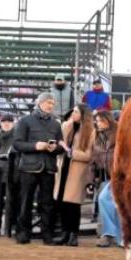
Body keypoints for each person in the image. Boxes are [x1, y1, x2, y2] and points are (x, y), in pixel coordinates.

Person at [12, 92, 65, 244]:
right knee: (25, 201)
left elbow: (61, 146)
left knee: (47, 203)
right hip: (29, 168)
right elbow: (17, 143)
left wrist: (54, 148)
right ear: (40, 103)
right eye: (49, 103)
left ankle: (47, 235)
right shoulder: (25, 121)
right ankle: (23, 233)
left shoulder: (56, 124)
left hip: (48, 168)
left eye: (53, 103)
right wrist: (36, 146)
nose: (51, 106)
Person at [52, 103, 95, 246]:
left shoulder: (91, 131)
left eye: (76, 112)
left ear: (83, 115)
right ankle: (65, 233)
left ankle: (73, 234)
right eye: (73, 111)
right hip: (63, 168)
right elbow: (60, 140)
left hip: (77, 171)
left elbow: (88, 155)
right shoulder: (66, 125)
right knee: (62, 203)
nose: (73, 114)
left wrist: (72, 153)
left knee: (73, 205)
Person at [92, 110, 123, 248]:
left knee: (110, 202)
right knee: (107, 201)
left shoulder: (119, 134)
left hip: (120, 175)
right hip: (106, 176)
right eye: (97, 121)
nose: (98, 123)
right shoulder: (99, 137)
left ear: (108, 120)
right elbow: (95, 159)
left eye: (100, 121)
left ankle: (114, 235)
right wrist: (93, 179)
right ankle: (113, 235)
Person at [0, 115, 19, 235]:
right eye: (4, 121)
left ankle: (8, 227)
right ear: (0, 123)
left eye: (9, 121)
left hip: (12, 171)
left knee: (11, 200)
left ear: (13, 123)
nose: (6, 123)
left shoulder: (17, 136)